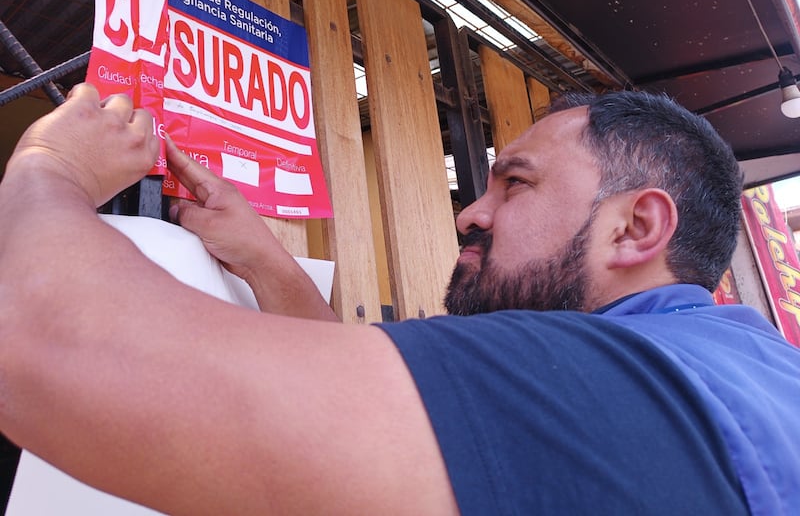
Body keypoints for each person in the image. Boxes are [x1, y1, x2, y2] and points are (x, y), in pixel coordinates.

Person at [0, 83, 798, 515]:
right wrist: (265, 260)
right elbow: (387, 426)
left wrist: (49, 168)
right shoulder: (734, 372)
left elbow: (45, 347)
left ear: (636, 227)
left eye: (514, 183)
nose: (470, 212)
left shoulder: (614, 383)